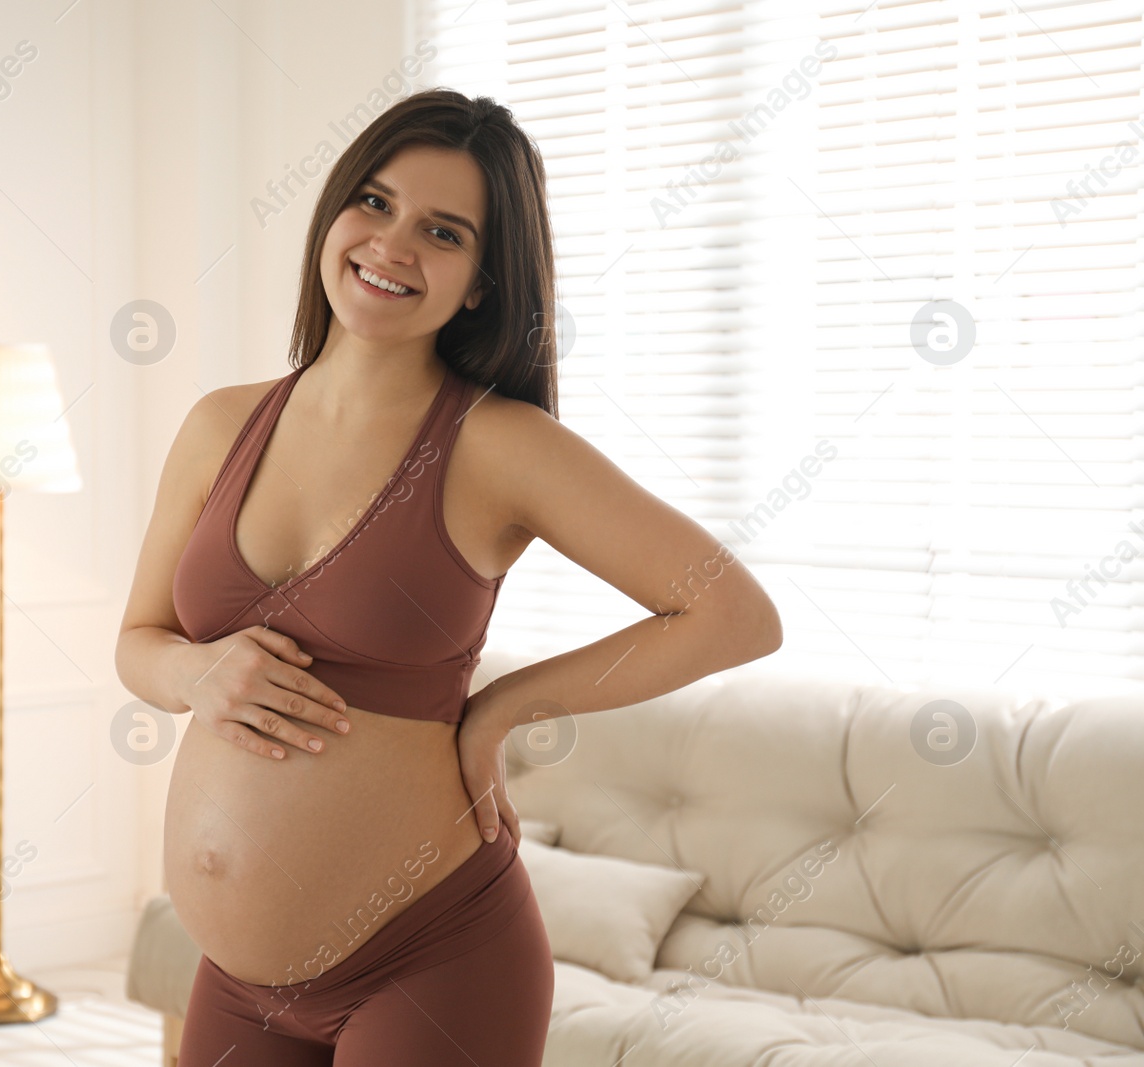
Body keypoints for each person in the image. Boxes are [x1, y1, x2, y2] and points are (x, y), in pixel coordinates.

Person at [115, 88, 782, 1066]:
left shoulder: (498, 447)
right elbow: (139, 641)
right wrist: (196, 675)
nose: (391, 245)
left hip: (430, 959)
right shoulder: (220, 424)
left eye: (442, 231)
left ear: (479, 281)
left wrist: (503, 703)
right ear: (334, 211)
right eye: (375, 204)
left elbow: (731, 611)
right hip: (238, 978)